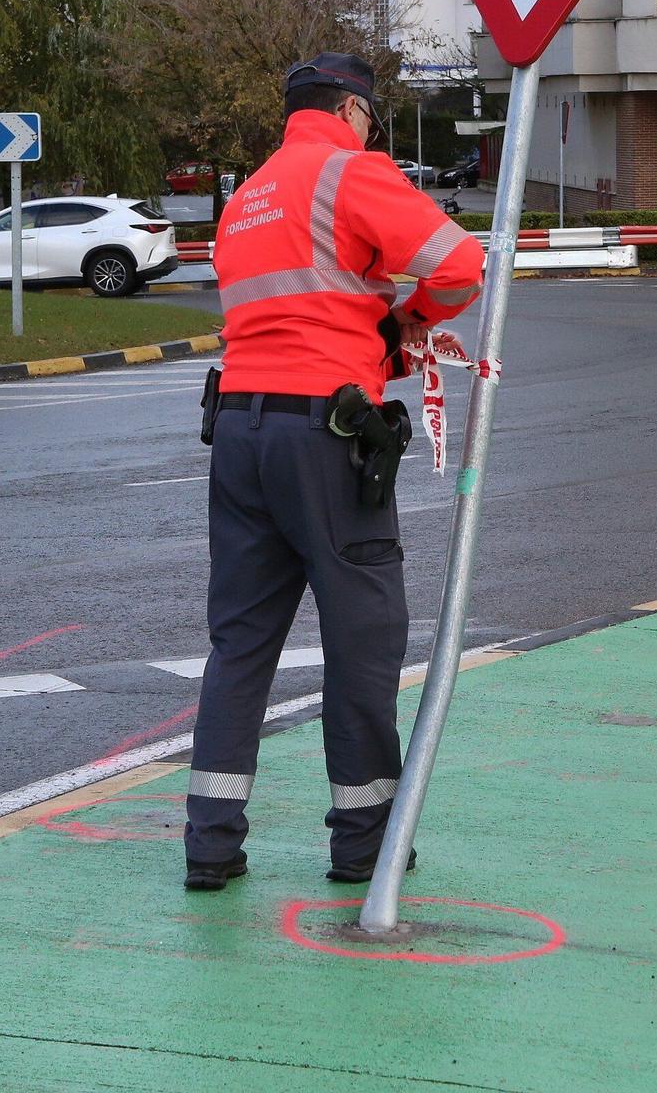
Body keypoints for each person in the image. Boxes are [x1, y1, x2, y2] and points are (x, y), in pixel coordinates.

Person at [184, 52, 486, 891]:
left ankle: (210, 843)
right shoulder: (350, 173)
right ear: (352, 110)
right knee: (363, 637)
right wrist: (406, 322)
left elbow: (289, 306)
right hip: (325, 433)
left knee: (240, 643)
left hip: (238, 428)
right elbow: (460, 265)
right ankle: (364, 842)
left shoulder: (248, 198)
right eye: (371, 119)